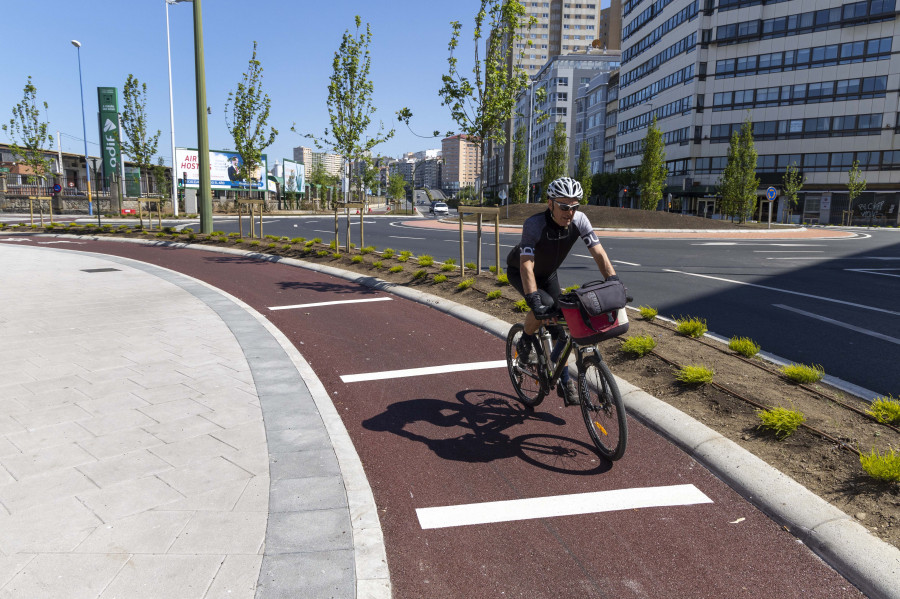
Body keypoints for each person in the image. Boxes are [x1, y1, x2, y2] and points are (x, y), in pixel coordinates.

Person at [506, 176, 618, 406]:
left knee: (562, 327)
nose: (570, 212)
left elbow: (598, 253)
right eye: (564, 207)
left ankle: (563, 378)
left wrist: (614, 281)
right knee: (544, 308)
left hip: (548, 274)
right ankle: (525, 340)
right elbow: (527, 263)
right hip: (521, 271)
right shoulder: (534, 224)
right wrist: (533, 299)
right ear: (550, 204)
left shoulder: (580, 220)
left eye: (574, 207)